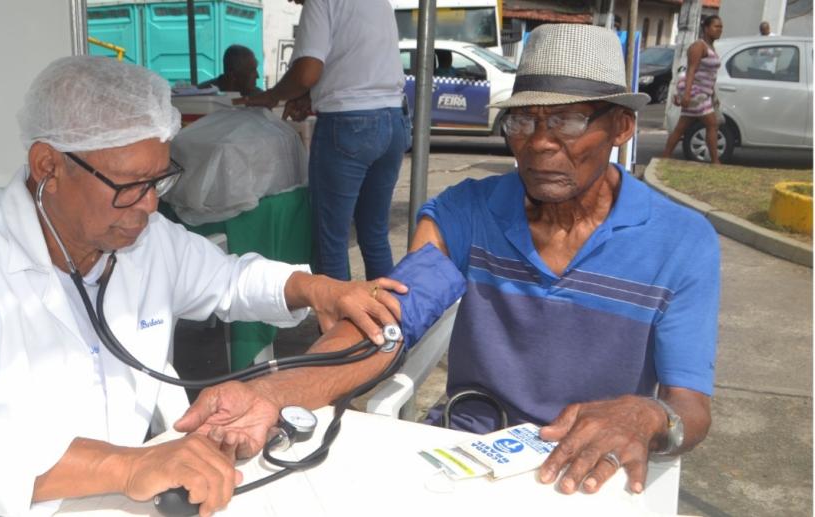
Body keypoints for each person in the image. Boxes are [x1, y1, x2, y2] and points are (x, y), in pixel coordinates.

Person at [181, 23, 719, 498]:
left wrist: (645, 414)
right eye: (523, 122)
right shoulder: (467, 212)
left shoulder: (681, 241)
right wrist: (273, 393)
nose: (539, 144)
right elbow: (388, 321)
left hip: (588, 472)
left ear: (622, 127)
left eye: (569, 121)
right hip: (470, 455)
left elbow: (689, 409)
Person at [0, 56, 406, 517]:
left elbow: (231, 278)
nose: (150, 205)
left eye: (158, 180)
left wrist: (316, 289)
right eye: (129, 186)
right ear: (48, 166)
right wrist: (126, 464)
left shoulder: (144, 239)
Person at [235, 0, 411, 282]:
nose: (292, 2)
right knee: (374, 234)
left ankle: (338, 325)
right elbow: (354, 64)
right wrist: (310, 97)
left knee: (333, 243)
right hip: (393, 120)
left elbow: (307, 72)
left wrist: (274, 95)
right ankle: (388, 321)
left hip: (349, 126)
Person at [662, 15, 724, 164]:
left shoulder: (711, 47)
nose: (720, 30)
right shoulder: (699, 46)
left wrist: (713, 94)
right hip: (696, 92)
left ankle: (665, 157)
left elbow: (709, 74)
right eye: (716, 26)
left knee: (681, 127)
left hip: (703, 92)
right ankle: (716, 161)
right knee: (712, 124)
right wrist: (687, 94)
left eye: (721, 27)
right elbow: (691, 70)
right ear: (706, 28)